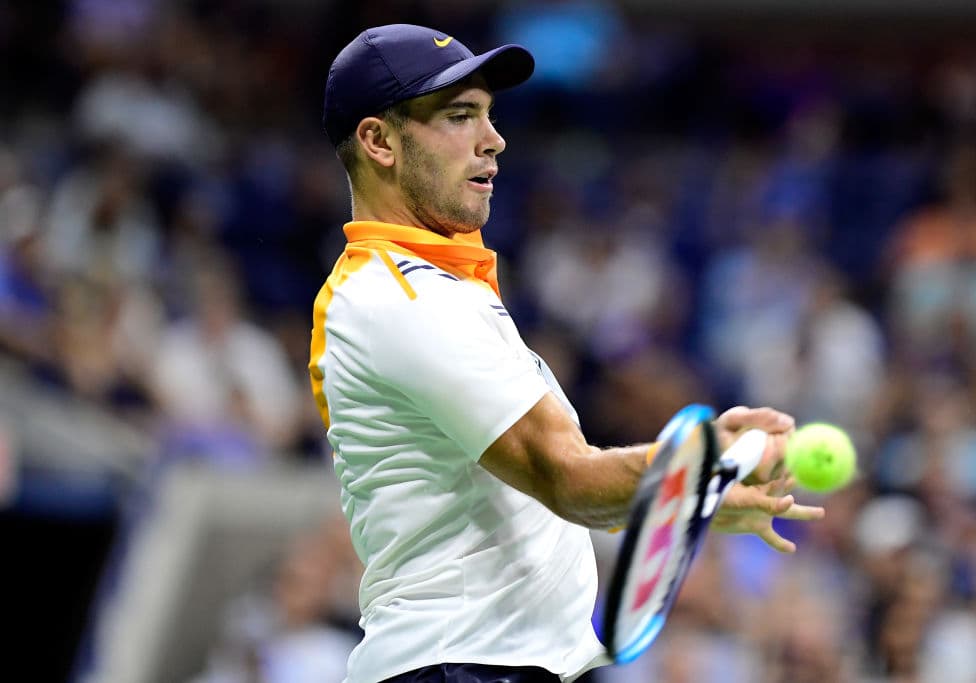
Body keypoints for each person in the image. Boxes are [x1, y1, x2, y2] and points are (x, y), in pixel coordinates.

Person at [309, 23, 824, 683]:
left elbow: (534, 509)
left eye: (489, 116)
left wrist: (697, 492)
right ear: (378, 141)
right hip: (458, 668)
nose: (493, 139)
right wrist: (705, 463)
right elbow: (566, 478)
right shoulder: (399, 298)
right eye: (459, 116)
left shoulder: (433, 289)